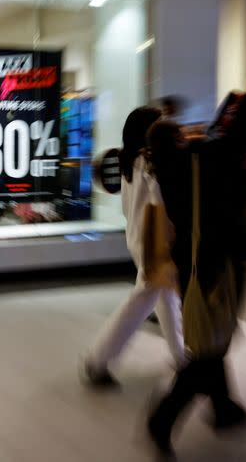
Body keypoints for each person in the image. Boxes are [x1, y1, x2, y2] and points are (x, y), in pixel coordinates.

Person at [146, 71, 246, 458]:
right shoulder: (194, 166)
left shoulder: (173, 168)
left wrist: (236, 105)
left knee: (213, 341)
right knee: (208, 351)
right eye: (183, 133)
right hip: (212, 265)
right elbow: (228, 143)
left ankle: (224, 408)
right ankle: (162, 419)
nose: (191, 136)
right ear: (178, 142)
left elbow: (219, 140)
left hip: (196, 263)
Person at [82, 106, 185, 387]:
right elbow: (161, 201)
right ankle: (98, 359)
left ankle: (181, 356)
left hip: (140, 239)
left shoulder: (129, 161)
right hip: (156, 243)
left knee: (165, 298)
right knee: (143, 300)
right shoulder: (149, 163)